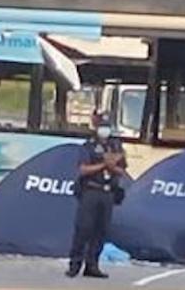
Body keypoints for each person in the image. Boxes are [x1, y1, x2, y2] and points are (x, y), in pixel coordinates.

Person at [66, 114, 126, 279]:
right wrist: (103, 164)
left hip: (108, 192)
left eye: (107, 126)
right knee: (84, 228)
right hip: (91, 190)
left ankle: (92, 265)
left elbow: (122, 170)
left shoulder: (116, 146)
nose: (104, 130)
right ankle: (74, 264)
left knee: (101, 230)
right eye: (102, 126)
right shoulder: (89, 146)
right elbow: (83, 169)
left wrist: (112, 166)